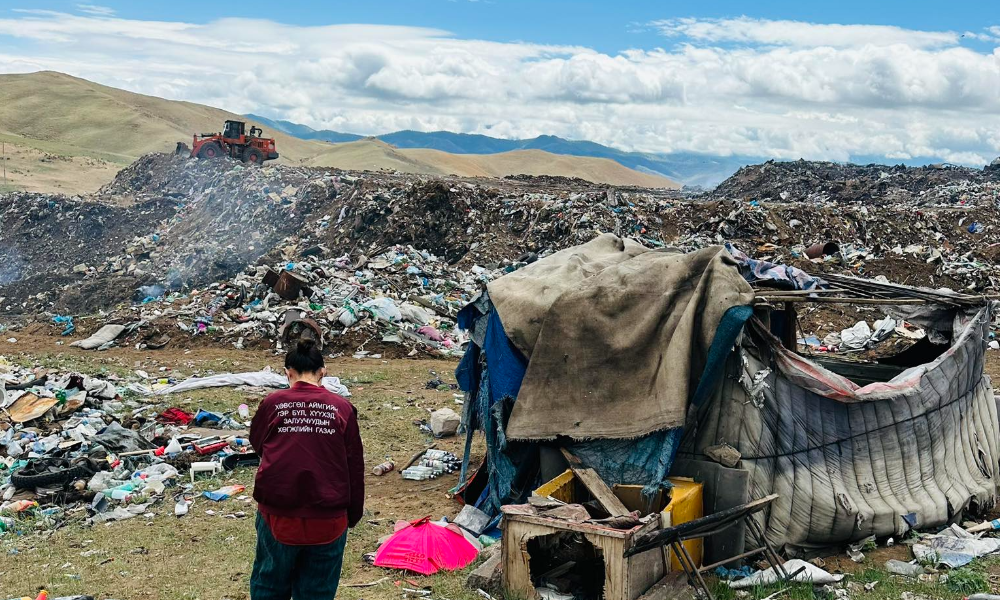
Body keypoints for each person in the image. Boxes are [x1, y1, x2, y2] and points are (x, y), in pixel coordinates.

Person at [249, 339, 364, 599]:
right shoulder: (342, 408)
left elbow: (258, 444)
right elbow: (354, 465)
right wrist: (353, 514)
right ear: (323, 372)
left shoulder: (272, 403)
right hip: (330, 519)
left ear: (288, 372)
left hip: (278, 515)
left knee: (269, 583)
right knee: (317, 590)